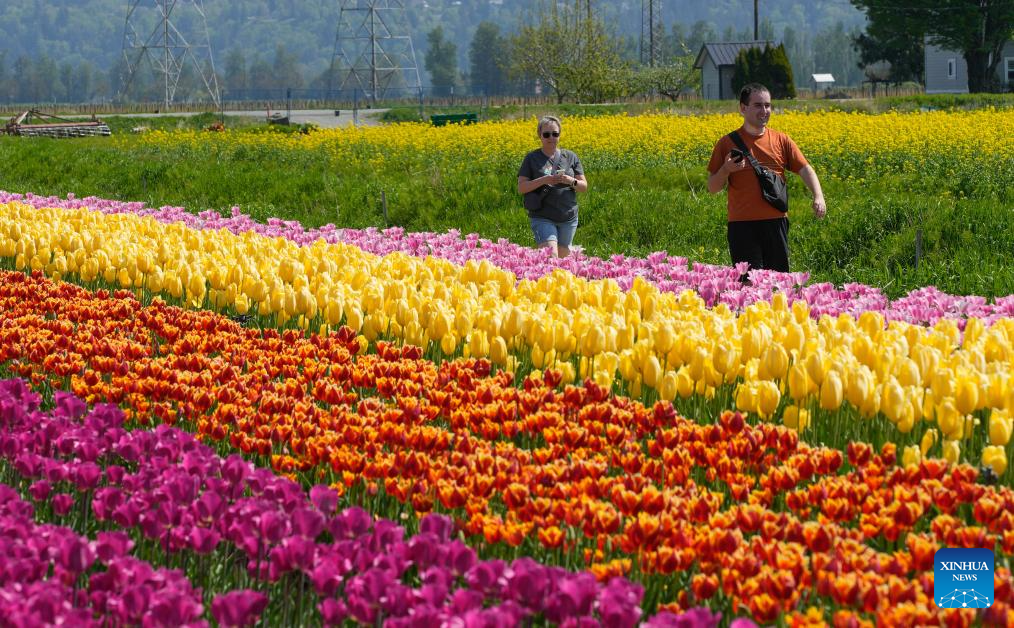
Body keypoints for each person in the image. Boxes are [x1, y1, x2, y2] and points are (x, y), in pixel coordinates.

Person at [707, 83, 826, 277]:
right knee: (747, 284)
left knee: (778, 281)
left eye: (768, 105)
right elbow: (712, 188)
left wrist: (818, 196)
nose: (764, 111)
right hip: (742, 225)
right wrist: (726, 170)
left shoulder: (781, 140)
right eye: (758, 105)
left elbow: (805, 169)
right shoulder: (726, 143)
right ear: (743, 108)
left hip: (776, 223)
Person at [517, 116, 587, 258]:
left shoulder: (570, 157)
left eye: (555, 134)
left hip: (568, 217)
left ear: (559, 135)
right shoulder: (531, 158)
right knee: (551, 255)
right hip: (542, 216)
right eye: (546, 134)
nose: (551, 138)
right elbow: (522, 188)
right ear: (540, 135)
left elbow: (583, 187)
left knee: (563, 258)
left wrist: (570, 181)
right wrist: (544, 180)